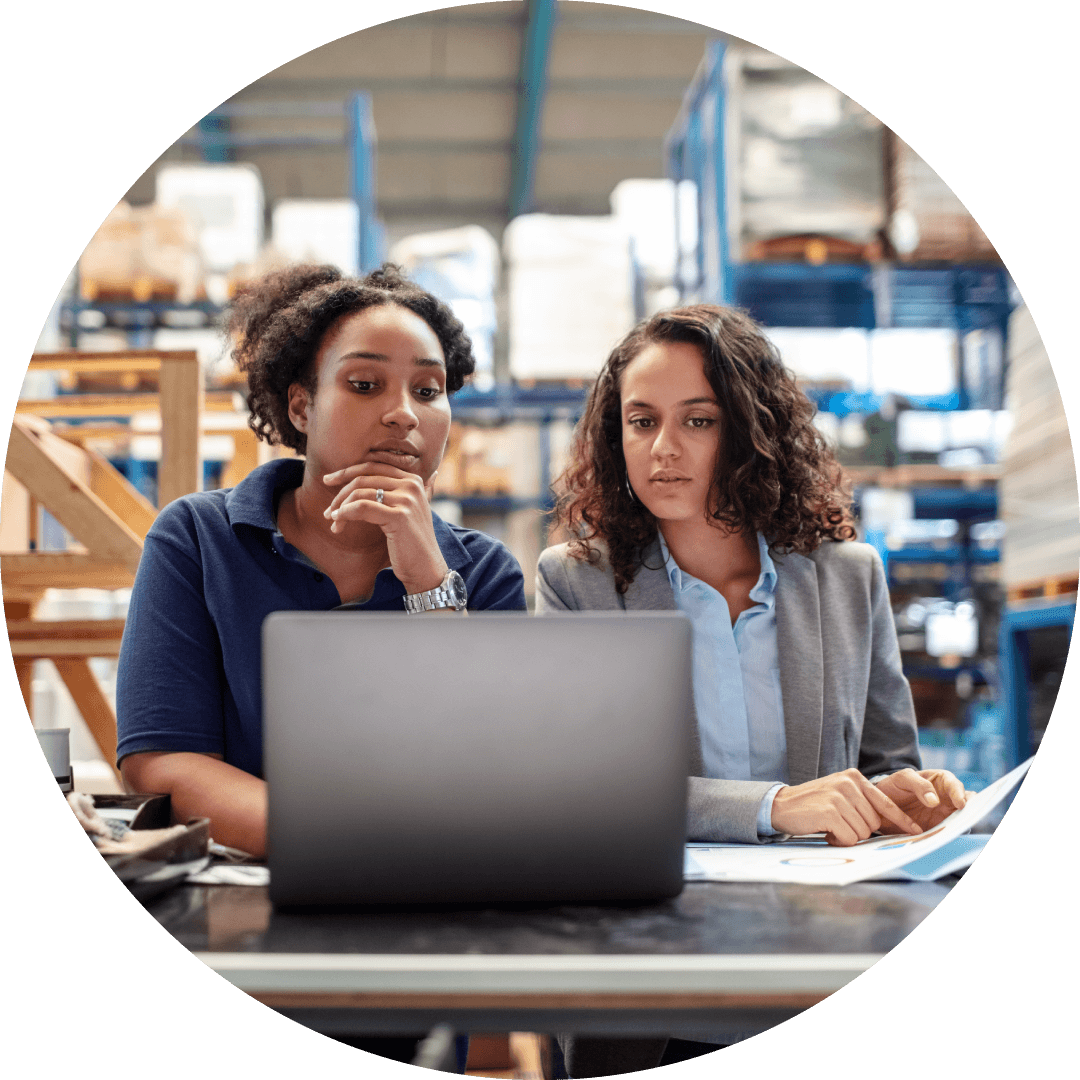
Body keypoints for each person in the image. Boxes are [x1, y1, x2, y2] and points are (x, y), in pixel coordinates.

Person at [534, 304, 971, 1076]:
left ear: (747, 429)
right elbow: (582, 795)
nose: (662, 449)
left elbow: (883, 764)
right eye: (641, 422)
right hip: (648, 993)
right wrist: (774, 806)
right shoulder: (578, 582)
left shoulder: (847, 575)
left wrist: (912, 799)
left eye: (697, 421)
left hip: (821, 966)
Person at [116, 264, 527, 863]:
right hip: (257, 893)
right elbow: (161, 760)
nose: (403, 414)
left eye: (428, 390)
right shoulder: (197, 540)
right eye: (365, 384)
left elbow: (492, 770)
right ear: (302, 408)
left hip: (435, 893)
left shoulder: (485, 572)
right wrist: (342, 844)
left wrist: (429, 584)